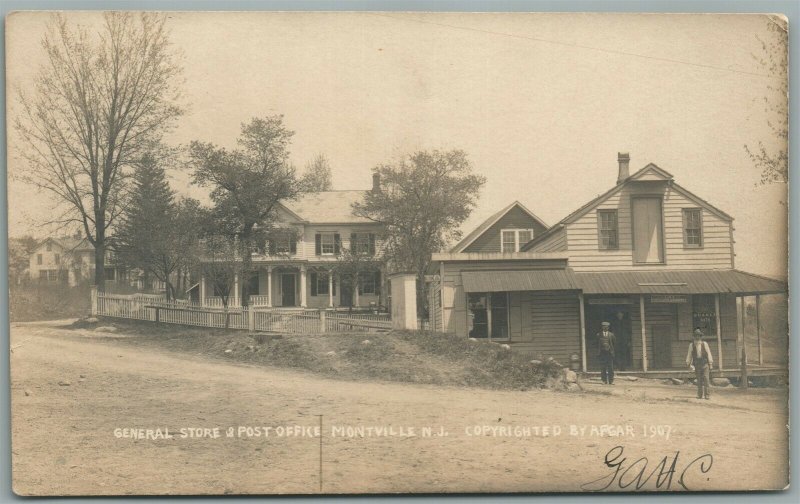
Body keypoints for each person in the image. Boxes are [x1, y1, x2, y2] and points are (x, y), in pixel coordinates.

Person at [686, 328, 714, 400]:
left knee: (706, 379)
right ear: (694, 337)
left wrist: (710, 364)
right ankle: (699, 395)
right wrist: (688, 363)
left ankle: (707, 395)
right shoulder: (691, 345)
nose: (697, 337)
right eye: (696, 336)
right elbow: (689, 355)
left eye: (698, 336)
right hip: (697, 365)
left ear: (700, 337)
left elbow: (709, 353)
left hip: (705, 364)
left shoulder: (704, 344)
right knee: (699, 380)